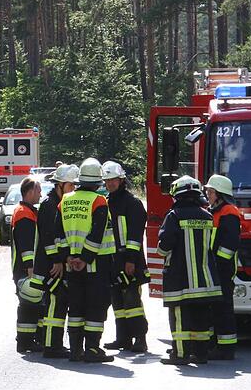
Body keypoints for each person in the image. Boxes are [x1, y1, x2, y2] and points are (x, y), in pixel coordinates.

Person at [55, 157, 116, 363]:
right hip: (95, 264)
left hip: (72, 265)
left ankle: (75, 350)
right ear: (99, 181)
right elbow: (96, 234)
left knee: (76, 305)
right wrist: (85, 258)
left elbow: (59, 233)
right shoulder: (99, 201)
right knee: (96, 305)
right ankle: (92, 349)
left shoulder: (65, 200)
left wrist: (69, 257)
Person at [158, 175, 222, 366]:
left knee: (179, 317)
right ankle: (201, 354)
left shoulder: (174, 215)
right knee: (201, 318)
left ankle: (180, 354)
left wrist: (163, 252)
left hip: (180, 278)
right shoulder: (207, 216)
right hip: (204, 279)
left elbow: (165, 245)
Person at [100, 161, 150, 353]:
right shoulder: (106, 202)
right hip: (112, 259)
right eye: (107, 181)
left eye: (113, 180)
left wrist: (130, 260)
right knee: (117, 303)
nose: (110, 184)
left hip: (130, 259)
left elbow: (135, 235)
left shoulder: (133, 203)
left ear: (121, 180)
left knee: (132, 302)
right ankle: (123, 338)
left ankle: (140, 339)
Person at [35, 163, 79, 358]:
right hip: (50, 265)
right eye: (71, 186)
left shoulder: (59, 204)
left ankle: (54, 343)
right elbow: (48, 237)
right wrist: (57, 261)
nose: (73, 189)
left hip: (57, 263)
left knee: (59, 302)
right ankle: (51, 346)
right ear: (60, 185)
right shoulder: (49, 205)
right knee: (55, 302)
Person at [206, 174, 243, 360]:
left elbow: (228, 245)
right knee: (215, 309)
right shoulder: (214, 210)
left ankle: (226, 349)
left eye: (210, 191)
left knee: (223, 309)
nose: (207, 194)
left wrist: (218, 265)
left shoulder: (229, 212)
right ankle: (214, 345)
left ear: (219, 193)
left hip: (222, 269)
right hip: (214, 269)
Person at [11, 177, 43, 353]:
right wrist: (30, 267)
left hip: (24, 268)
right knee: (28, 305)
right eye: (38, 191)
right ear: (30, 192)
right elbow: (26, 244)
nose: (40, 194)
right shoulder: (24, 213)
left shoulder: (28, 211)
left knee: (32, 305)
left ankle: (32, 339)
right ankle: (25, 342)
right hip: (25, 269)